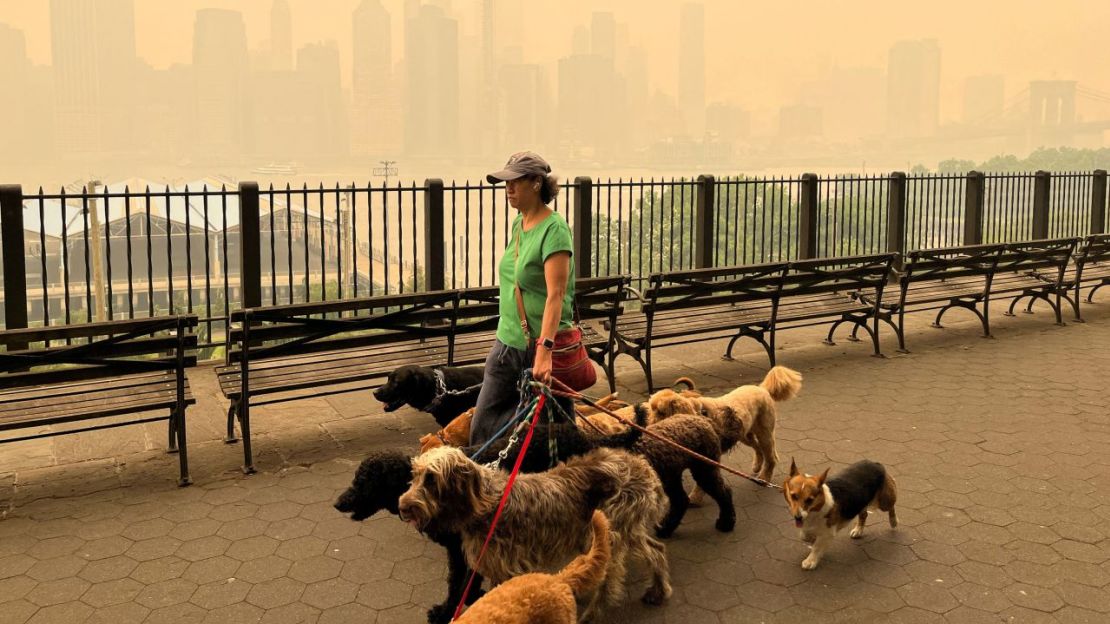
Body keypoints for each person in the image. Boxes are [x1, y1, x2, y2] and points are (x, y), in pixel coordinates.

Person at [469, 151, 575, 445]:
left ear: (537, 183)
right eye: (506, 183)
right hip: (506, 343)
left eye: (515, 182)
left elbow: (556, 294)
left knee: (558, 432)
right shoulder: (519, 223)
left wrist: (545, 351)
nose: (509, 189)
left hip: (540, 347)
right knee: (482, 427)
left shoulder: (555, 230)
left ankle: (576, 484)